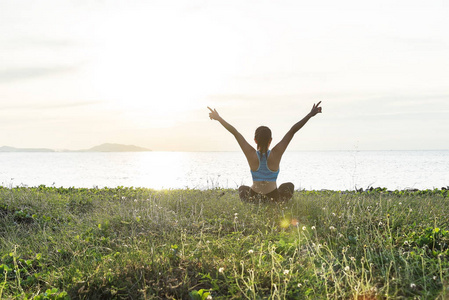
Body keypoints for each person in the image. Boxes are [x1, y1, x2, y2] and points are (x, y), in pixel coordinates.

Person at [207, 102, 322, 202]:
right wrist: (310, 115)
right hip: (273, 199)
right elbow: (292, 131)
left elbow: (235, 133)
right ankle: (276, 204)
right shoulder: (276, 153)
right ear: (270, 140)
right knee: (288, 186)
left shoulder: (250, 154)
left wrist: (219, 118)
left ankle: (252, 203)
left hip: (254, 198)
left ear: (255, 140)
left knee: (242, 188)